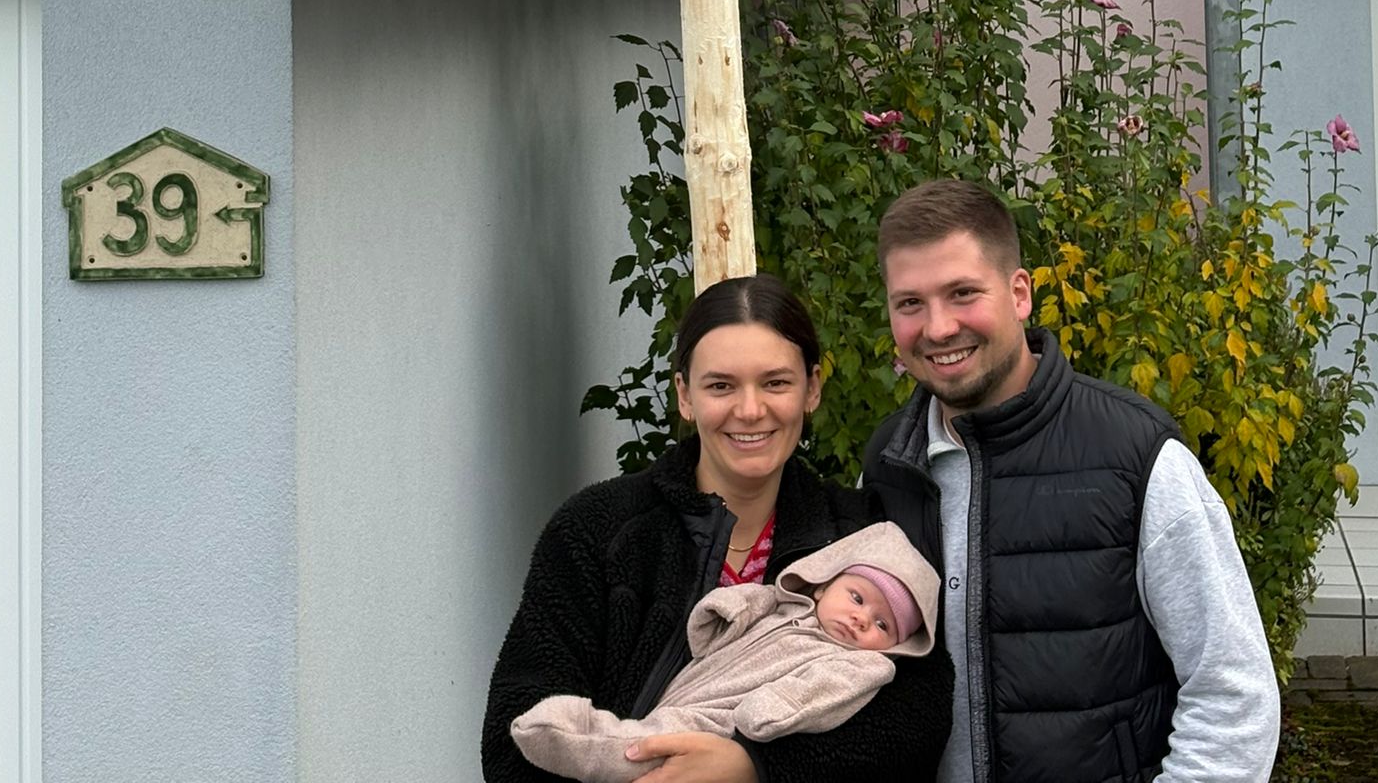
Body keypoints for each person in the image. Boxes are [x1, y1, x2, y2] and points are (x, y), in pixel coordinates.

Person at [862, 179, 1282, 783]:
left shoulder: (1133, 455)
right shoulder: (889, 463)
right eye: (910, 303)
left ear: (1019, 293)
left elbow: (1232, 695)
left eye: (962, 293)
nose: (939, 327)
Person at [482, 274, 953, 782]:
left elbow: (916, 723)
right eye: (721, 386)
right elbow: (515, 733)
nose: (750, 410)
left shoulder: (861, 537)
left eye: (776, 382)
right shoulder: (598, 530)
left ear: (812, 388)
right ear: (685, 395)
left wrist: (753, 768)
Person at [510, 519, 940, 779]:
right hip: (691, 687)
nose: (862, 619)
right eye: (857, 598)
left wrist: (763, 728)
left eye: (883, 625)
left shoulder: (861, 666)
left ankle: (571, 736)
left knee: (644, 748)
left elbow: (819, 694)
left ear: (897, 645)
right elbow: (746, 603)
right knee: (651, 728)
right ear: (823, 585)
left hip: (723, 721)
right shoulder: (786, 604)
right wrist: (722, 610)